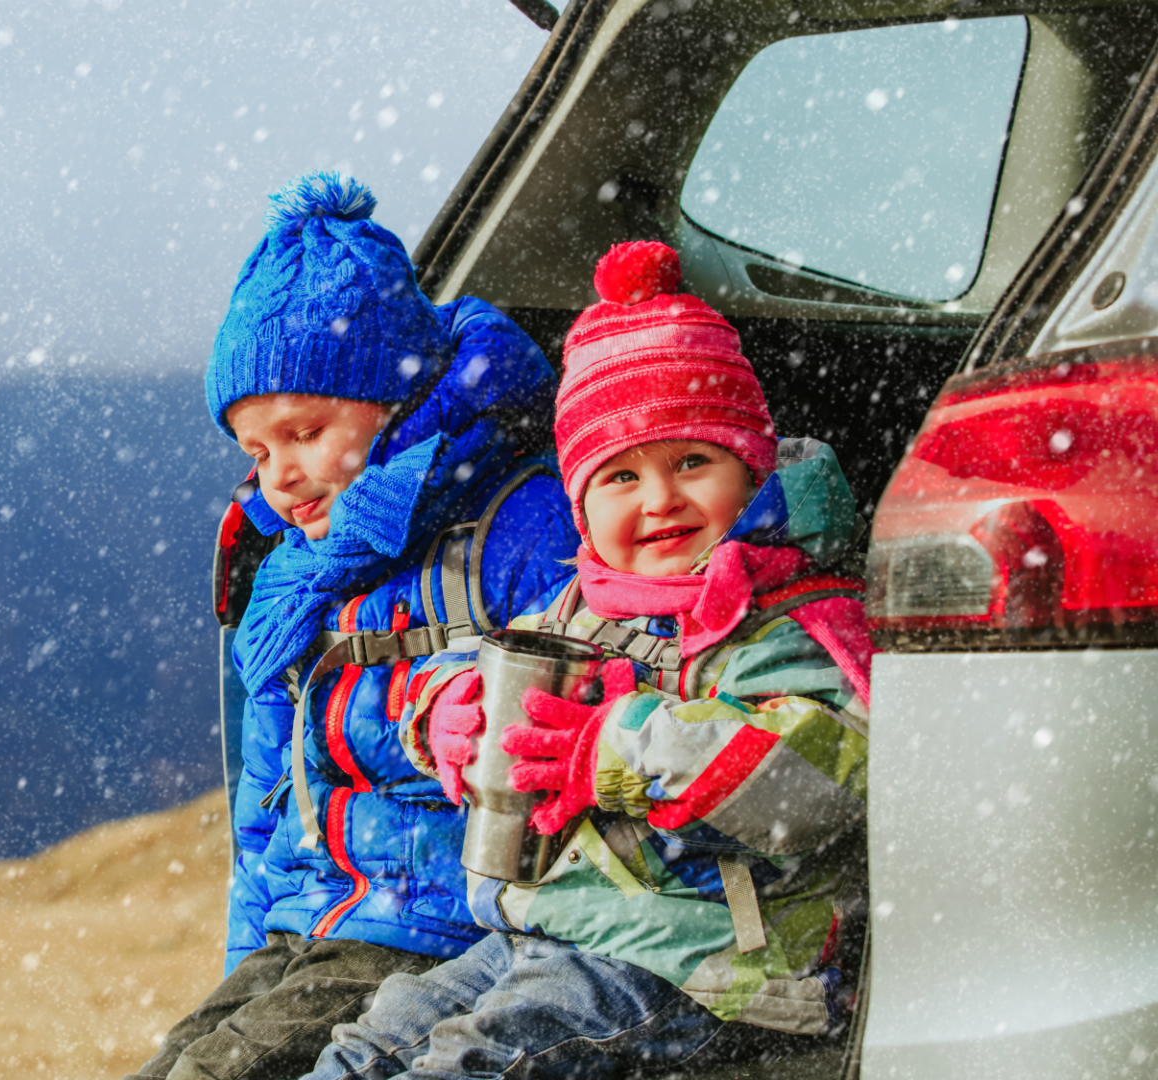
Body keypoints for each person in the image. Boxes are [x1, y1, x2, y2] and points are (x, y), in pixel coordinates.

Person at [296, 240, 875, 1080]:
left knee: (479, 1060)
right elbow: (480, 674)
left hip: (705, 960)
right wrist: (444, 720)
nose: (659, 498)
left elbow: (822, 781)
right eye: (619, 477)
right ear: (580, 500)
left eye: (692, 462)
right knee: (378, 1036)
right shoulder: (580, 606)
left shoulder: (787, 619)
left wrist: (613, 747)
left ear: (749, 472)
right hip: (549, 927)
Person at [125, 174, 580, 1080]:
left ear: (392, 397)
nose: (279, 476)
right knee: (181, 1059)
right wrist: (245, 960)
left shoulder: (516, 527)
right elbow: (265, 815)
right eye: (256, 452)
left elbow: (591, 687)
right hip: (311, 924)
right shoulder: (296, 585)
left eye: (304, 431)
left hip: (432, 928)